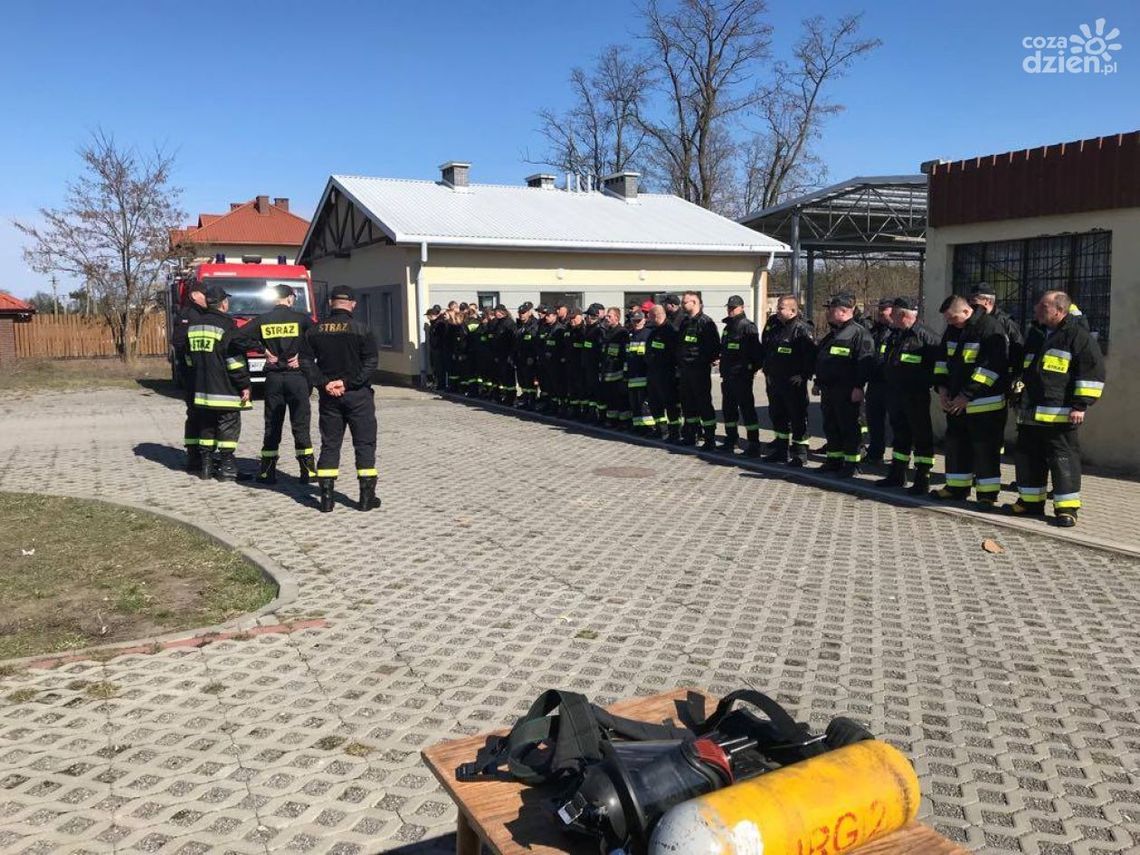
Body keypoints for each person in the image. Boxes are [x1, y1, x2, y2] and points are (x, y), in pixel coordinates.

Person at [1006, 291, 1105, 526]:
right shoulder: (1037, 334)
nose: (1036, 310)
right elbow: (1026, 368)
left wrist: (1080, 405)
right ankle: (1030, 503)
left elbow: (1092, 373)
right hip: (1030, 413)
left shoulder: (1077, 336)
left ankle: (1066, 509)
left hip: (1059, 414)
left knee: (1063, 460)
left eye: (1043, 307)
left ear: (1059, 311)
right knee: (1029, 459)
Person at [305, 285, 381, 513]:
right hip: (358, 395)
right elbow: (370, 363)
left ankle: (326, 500)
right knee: (364, 444)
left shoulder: (314, 330)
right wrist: (347, 383)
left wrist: (323, 383)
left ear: (330, 303)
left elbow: (306, 362)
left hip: (329, 397)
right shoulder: (362, 329)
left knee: (330, 444)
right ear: (353, 304)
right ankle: (366, 499)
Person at [931, 294, 1009, 504]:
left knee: (985, 450)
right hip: (956, 404)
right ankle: (956, 488)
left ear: (966, 311)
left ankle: (987, 495)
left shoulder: (989, 328)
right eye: (947, 319)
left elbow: (991, 368)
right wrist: (942, 388)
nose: (949, 322)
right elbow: (942, 360)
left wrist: (967, 395)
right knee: (956, 446)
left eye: (952, 318)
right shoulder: (953, 330)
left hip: (984, 405)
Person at [243, 284, 316, 485]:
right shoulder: (302, 319)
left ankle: (267, 472)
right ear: (291, 298)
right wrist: (303, 356)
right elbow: (320, 338)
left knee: (272, 425)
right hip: (297, 379)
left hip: (273, 380)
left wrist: (262, 350)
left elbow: (236, 337)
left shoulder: (263, 320)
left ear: (274, 299)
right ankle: (308, 471)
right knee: (300, 424)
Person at [186, 284, 253, 481]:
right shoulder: (227, 326)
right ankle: (227, 468)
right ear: (223, 303)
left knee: (206, 424)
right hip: (225, 389)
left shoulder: (194, 325)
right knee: (228, 425)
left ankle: (206, 467)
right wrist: (244, 384)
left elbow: (189, 359)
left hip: (202, 389)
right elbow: (234, 360)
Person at [877, 297, 940, 493]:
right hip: (895, 394)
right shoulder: (896, 335)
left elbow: (939, 367)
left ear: (903, 315)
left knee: (921, 436)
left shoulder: (927, 337)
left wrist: (926, 383)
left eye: (894, 314)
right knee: (900, 435)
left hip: (916, 396)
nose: (890, 318)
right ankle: (897, 474)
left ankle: (922, 478)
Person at [813, 293, 875, 477]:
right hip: (829, 390)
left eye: (831, 309)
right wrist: (818, 382)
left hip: (847, 390)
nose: (828, 313)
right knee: (831, 426)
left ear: (843, 311)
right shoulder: (835, 333)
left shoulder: (858, 333)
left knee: (849, 427)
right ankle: (834, 461)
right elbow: (824, 360)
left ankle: (852, 464)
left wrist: (858, 387)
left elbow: (865, 362)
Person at [760, 295, 816, 466]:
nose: (778, 310)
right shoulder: (776, 327)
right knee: (778, 416)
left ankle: (800, 454)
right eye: (778, 307)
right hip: (775, 381)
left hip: (793, 383)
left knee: (797, 417)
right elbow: (768, 349)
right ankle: (780, 451)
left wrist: (803, 375)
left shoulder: (801, 329)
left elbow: (811, 356)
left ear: (792, 310)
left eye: (781, 307)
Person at [718, 295, 762, 456]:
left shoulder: (747, 327)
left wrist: (749, 370)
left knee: (747, 410)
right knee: (728, 410)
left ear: (742, 308)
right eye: (729, 307)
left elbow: (757, 354)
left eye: (733, 307)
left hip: (742, 377)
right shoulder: (727, 328)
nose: (730, 310)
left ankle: (753, 444)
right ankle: (731, 440)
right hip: (727, 376)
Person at [172, 280, 208, 473]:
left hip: (205, 374)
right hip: (193, 374)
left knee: (205, 415)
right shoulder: (187, 315)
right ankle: (194, 458)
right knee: (195, 415)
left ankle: (206, 456)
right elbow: (178, 342)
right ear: (195, 295)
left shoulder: (203, 314)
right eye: (205, 294)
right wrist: (193, 357)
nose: (208, 298)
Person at [676, 291, 720, 448]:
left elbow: (714, 347)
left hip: (699, 371)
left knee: (703, 404)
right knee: (688, 404)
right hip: (685, 371)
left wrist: (701, 361)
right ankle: (691, 434)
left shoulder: (705, 322)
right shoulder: (685, 322)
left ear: (694, 303)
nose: (682, 305)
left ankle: (709, 438)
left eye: (685, 302)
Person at [969, 283, 1024, 383]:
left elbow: (1018, 352)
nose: (970, 304)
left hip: (1000, 379)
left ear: (987, 301)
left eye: (974, 300)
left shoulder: (1006, 323)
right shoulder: (973, 321)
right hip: (975, 378)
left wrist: (1015, 378)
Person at [864, 298, 895, 464]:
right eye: (880, 309)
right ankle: (875, 453)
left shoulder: (897, 330)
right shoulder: (874, 330)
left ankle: (899, 458)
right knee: (874, 420)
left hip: (891, 384)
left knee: (896, 422)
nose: (881, 312)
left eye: (885, 309)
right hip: (875, 382)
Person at [645, 304, 681, 442]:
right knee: (655, 403)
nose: (648, 319)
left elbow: (673, 354)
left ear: (656, 316)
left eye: (649, 316)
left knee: (670, 404)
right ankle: (661, 429)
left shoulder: (670, 331)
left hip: (666, 374)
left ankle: (674, 432)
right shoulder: (654, 331)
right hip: (653, 373)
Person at [625, 310, 655, 435]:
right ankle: (638, 427)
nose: (636, 323)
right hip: (632, 377)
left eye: (639, 320)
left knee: (644, 405)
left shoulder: (648, 334)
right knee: (635, 404)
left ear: (644, 320)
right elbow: (627, 357)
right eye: (634, 320)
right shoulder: (630, 335)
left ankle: (649, 428)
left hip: (644, 376)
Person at [601, 307, 629, 428]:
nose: (607, 318)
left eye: (609, 316)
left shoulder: (622, 333)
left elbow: (625, 354)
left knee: (620, 398)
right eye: (606, 316)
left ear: (617, 318)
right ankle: (612, 420)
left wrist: (625, 373)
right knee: (610, 398)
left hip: (618, 372)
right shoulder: (607, 332)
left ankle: (624, 421)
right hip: (608, 371)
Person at [582, 303, 608, 423]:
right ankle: (592, 414)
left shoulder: (599, 330)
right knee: (590, 391)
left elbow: (602, 349)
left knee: (599, 393)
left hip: (596, 367)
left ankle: (601, 416)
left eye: (589, 316)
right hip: (588, 366)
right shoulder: (588, 329)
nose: (586, 318)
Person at [513, 302, 540, 409]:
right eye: (520, 313)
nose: (521, 315)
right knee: (522, 381)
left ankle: (532, 402)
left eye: (523, 313)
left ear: (529, 312)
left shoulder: (534, 324)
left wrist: (531, 357)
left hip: (529, 358)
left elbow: (534, 343)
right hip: (519, 357)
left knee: (530, 381)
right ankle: (525, 400)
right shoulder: (519, 324)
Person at [491, 305, 516, 404]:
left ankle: (510, 398)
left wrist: (511, 355)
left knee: (509, 377)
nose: (496, 314)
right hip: (499, 355)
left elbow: (513, 341)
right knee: (502, 378)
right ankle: (503, 396)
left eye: (497, 312)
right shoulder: (498, 323)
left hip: (507, 355)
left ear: (503, 312)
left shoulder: (509, 323)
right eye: (495, 312)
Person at [563, 309, 586, 418]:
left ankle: (583, 412)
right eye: (570, 318)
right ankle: (574, 410)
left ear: (580, 317)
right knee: (571, 389)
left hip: (580, 365)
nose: (572, 320)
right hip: (569, 364)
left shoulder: (583, 330)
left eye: (574, 318)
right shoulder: (567, 329)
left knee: (581, 389)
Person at [426, 305, 447, 390]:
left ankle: (441, 384)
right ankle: (437, 383)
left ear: (433, 315)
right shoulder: (433, 324)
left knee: (440, 368)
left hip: (439, 349)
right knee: (435, 367)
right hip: (434, 349)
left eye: (428, 316)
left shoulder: (439, 324)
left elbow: (441, 337)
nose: (428, 317)